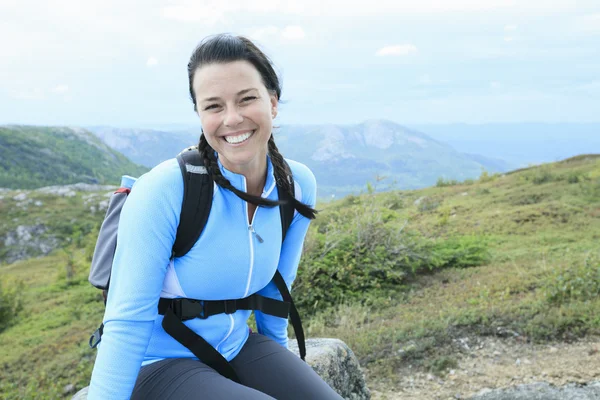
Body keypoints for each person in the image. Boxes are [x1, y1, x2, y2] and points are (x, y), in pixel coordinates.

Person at [86, 34, 344, 399]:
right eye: (213, 106)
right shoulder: (166, 190)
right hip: (158, 363)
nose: (232, 119)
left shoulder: (295, 184)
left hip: (237, 345)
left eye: (247, 99)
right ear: (200, 115)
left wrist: (281, 368)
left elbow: (276, 292)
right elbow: (126, 321)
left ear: (272, 102)